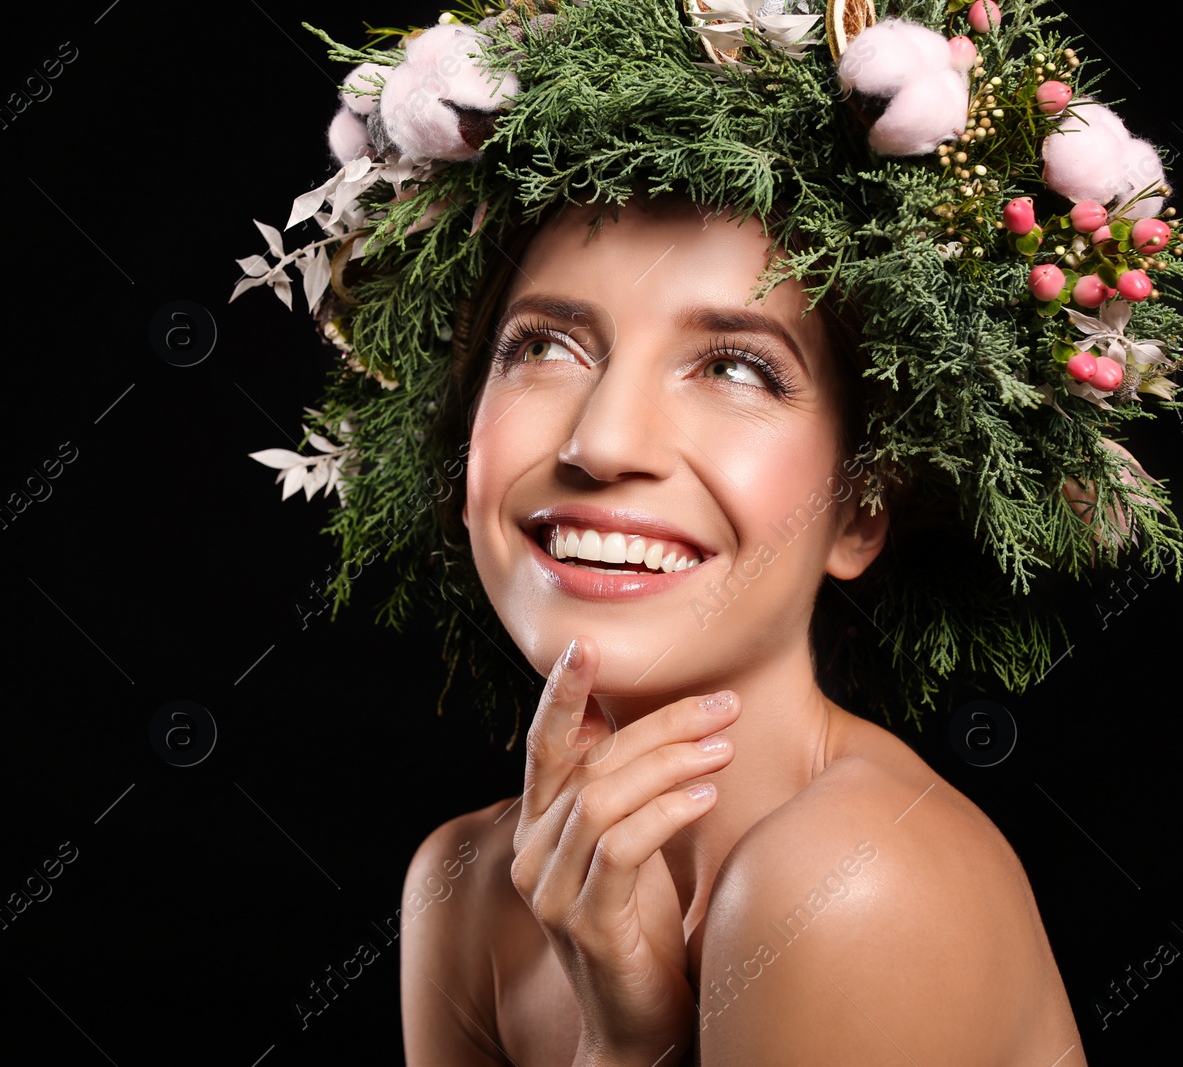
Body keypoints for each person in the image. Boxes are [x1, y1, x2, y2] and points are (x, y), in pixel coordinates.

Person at [233, 1, 1182, 1061]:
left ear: (860, 507)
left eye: (735, 366)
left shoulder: (846, 880)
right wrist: (621, 1036)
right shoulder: (461, 890)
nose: (602, 440)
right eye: (544, 346)